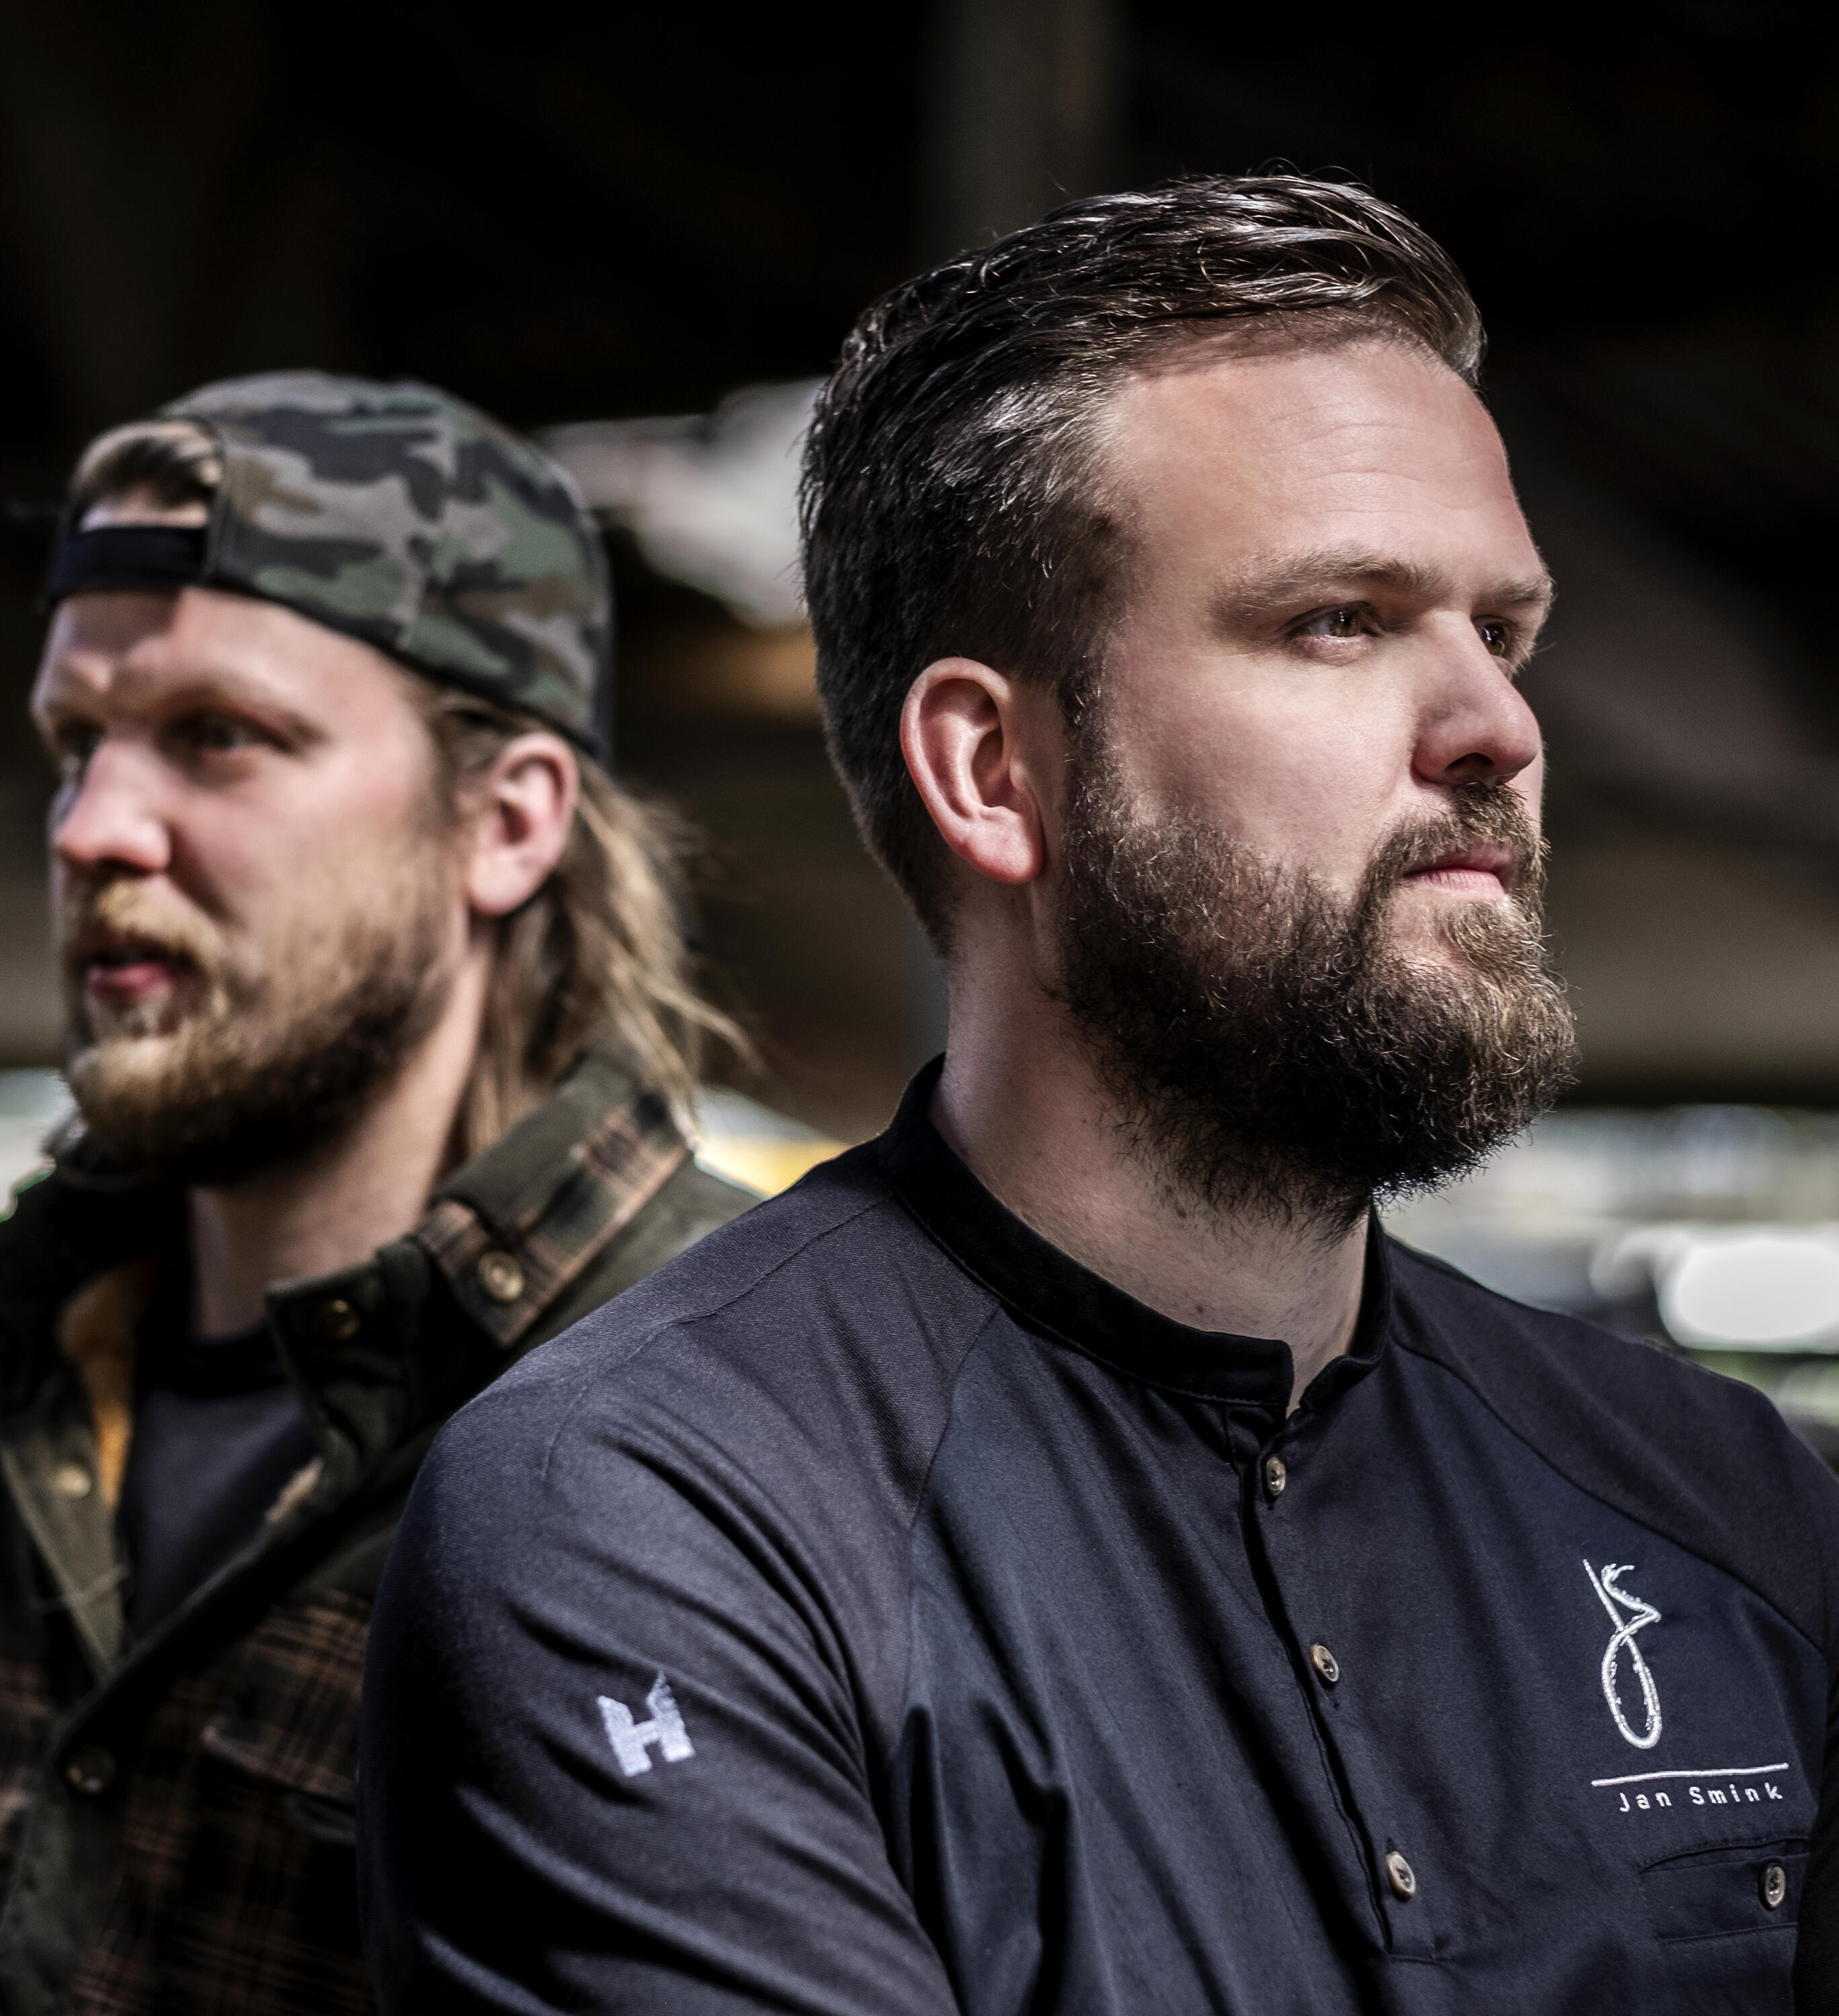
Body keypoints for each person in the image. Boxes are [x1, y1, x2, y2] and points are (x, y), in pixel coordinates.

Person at [358, 180, 1839, 2013]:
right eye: (1337, 620)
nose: (1496, 728)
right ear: (995, 770)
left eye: (1502, 631)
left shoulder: (1724, 1504)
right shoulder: (652, 1518)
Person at [0, 372, 755, 2016]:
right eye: (75, 745)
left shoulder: (738, 1418)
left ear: (506, 821)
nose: (95, 826)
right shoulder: (2, 1408)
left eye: (218, 738)